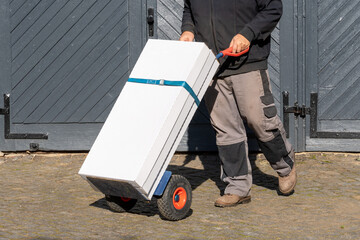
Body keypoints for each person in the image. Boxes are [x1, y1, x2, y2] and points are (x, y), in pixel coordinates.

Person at [180, 0, 297, 207]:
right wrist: (188, 30)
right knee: (226, 130)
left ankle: (284, 165)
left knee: (260, 121)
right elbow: (189, 8)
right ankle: (237, 187)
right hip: (212, 65)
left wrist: (248, 33)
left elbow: (273, 7)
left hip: (247, 62)